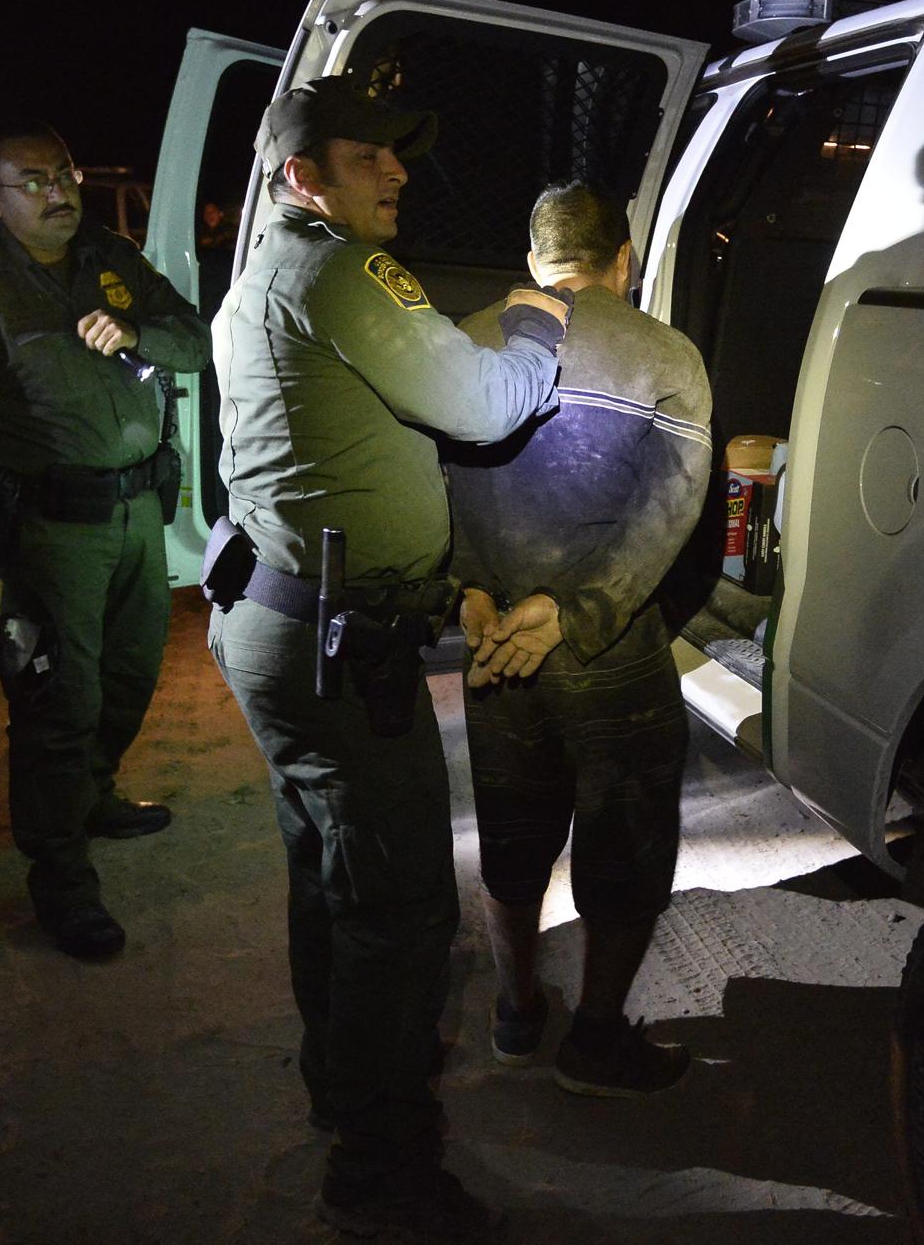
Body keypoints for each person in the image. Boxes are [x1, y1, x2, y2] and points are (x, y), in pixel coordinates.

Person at [206, 75, 569, 1242]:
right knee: (402, 909)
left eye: (399, 153)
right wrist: (537, 328)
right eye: (371, 156)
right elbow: (484, 406)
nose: (399, 172)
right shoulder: (339, 271)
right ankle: (380, 1171)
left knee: (333, 878)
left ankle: (342, 1089)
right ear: (303, 175)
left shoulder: (266, 272)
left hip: (280, 621)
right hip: (335, 647)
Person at [0, 120, 207, 961]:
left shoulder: (112, 259)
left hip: (136, 515)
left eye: (66, 173)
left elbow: (193, 340)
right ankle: (61, 877)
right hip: (47, 533)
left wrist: (138, 335)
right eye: (33, 180)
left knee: (129, 676)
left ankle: (93, 795)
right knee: (56, 705)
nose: (58, 192)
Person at [448, 181, 713, 1097]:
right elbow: (671, 511)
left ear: (534, 261)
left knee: (512, 835)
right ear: (623, 260)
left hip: (495, 646)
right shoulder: (666, 354)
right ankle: (596, 1040)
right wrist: (578, 611)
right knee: (626, 849)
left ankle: (516, 1011)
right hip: (613, 655)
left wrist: (469, 590)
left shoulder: (465, 340)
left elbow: (434, 483)